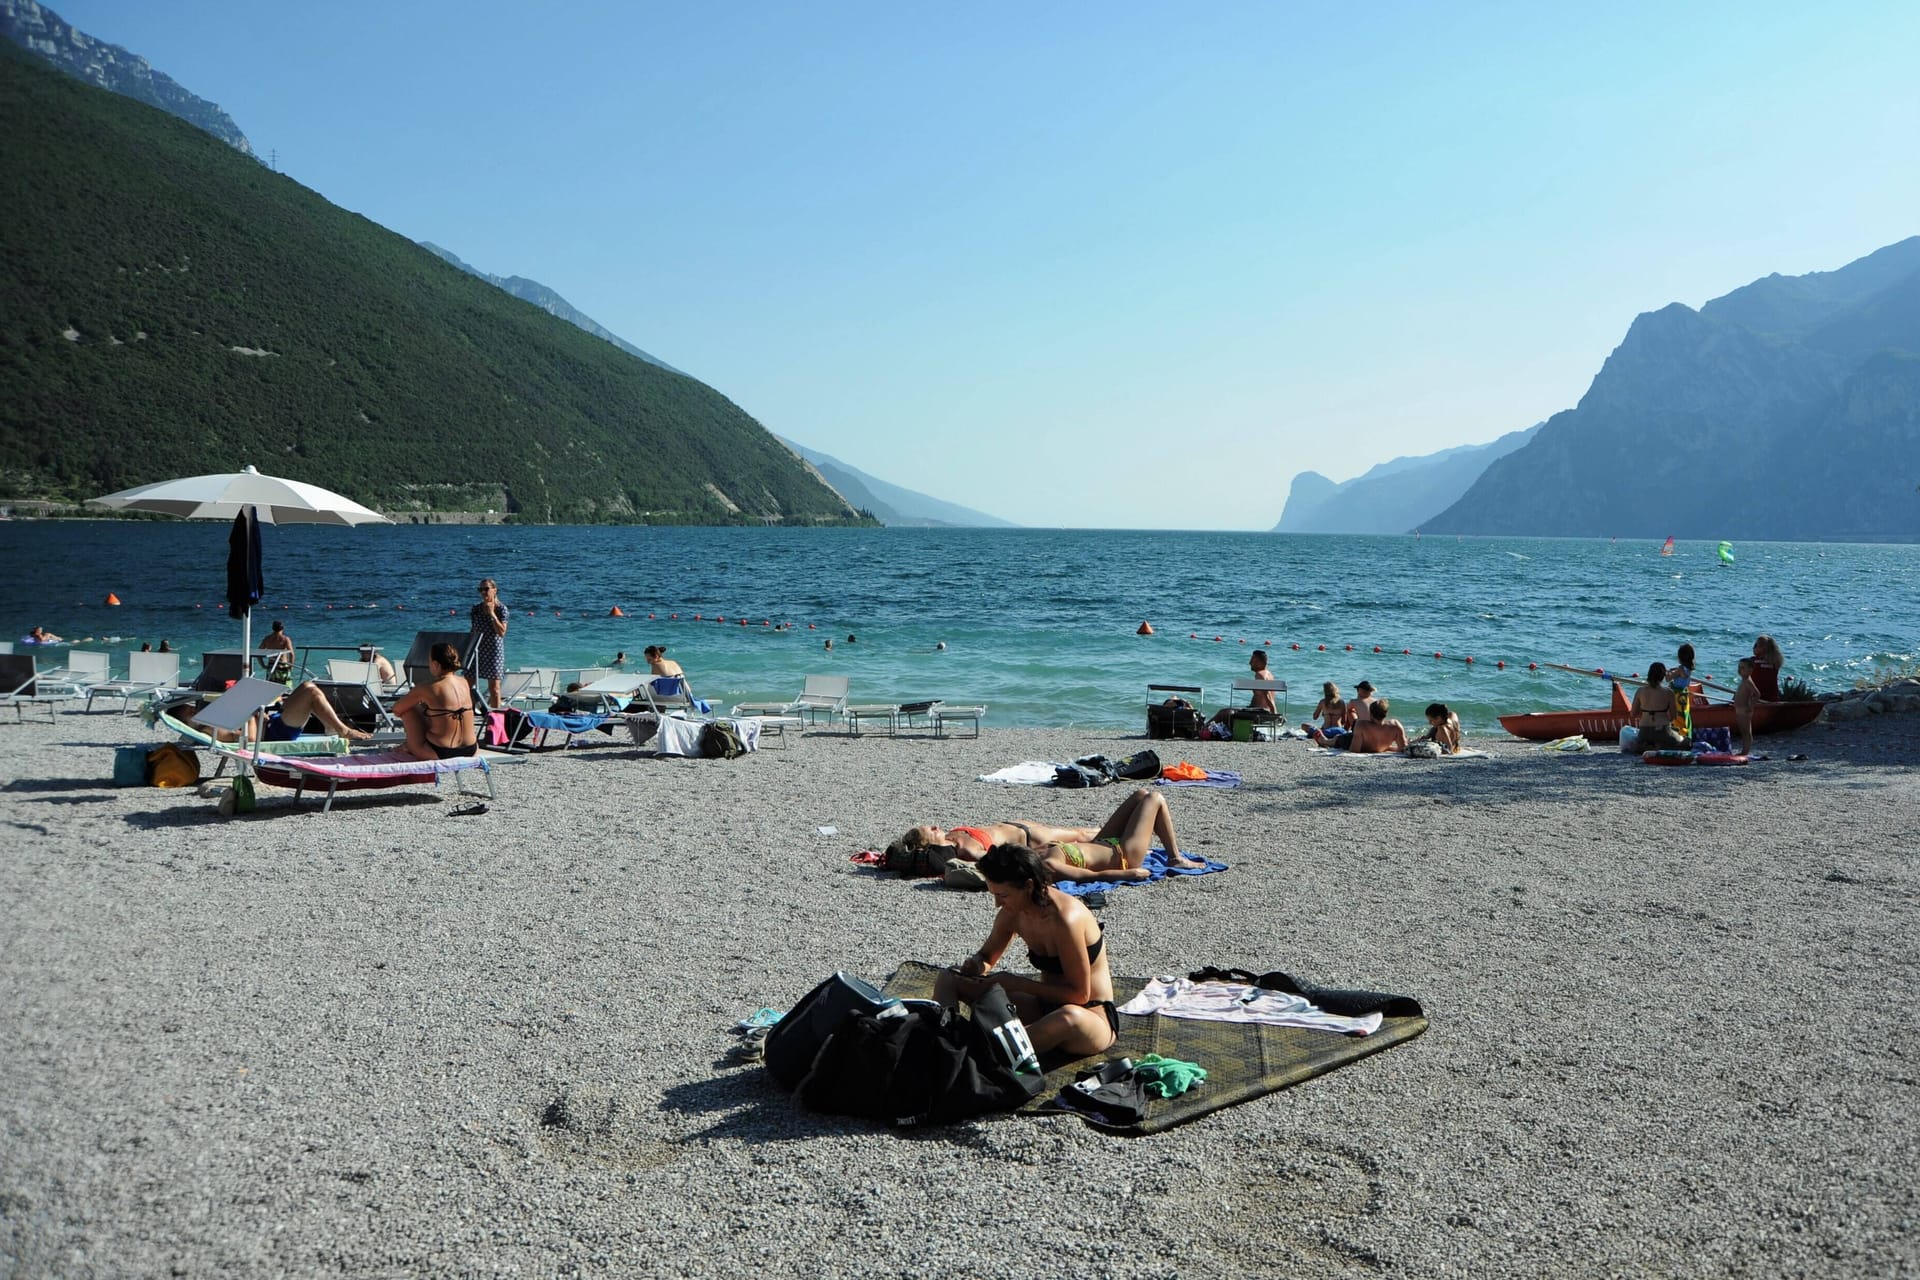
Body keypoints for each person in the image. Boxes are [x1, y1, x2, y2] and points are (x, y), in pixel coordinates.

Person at [932, 844, 1118, 1057]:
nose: (996, 903)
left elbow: (1080, 995)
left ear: (1028, 886)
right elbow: (987, 957)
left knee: (1067, 1016)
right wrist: (975, 965)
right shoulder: (1013, 914)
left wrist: (1018, 984)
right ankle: (947, 1041)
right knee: (949, 977)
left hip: (1090, 1018)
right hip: (1043, 1008)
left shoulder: (1066, 919)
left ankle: (981, 1052)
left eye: (1003, 895)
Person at [886, 789, 1204, 882]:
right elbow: (1080, 877)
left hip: (1096, 847)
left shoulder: (1042, 857)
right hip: (1122, 854)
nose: (935, 826)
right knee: (1154, 798)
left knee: (1139, 794)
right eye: (930, 830)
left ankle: (1166, 845)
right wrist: (1126, 873)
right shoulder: (1047, 863)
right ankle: (1175, 857)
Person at [191, 681, 372, 745]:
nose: (194, 710)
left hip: (276, 720)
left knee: (308, 686)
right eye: (189, 711)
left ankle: (331, 726)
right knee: (311, 692)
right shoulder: (209, 729)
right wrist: (254, 714)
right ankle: (341, 729)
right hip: (277, 732)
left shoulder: (211, 719)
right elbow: (251, 740)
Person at [391, 642, 478, 761]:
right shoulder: (464, 682)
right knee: (435, 712)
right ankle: (409, 745)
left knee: (409, 709)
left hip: (440, 752)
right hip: (471, 749)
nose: (429, 665)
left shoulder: (428, 687)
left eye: (429, 661)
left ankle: (410, 746)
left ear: (436, 664)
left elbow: (397, 709)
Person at [468, 578, 509, 709]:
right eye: (481, 589)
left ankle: (495, 717)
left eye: (486, 589)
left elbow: (501, 632)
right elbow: (473, 629)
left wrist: (492, 614)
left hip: (493, 650)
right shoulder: (476, 609)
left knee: (494, 689)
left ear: (494, 590)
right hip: (476, 649)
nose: (483, 592)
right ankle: (470, 712)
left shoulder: (501, 609)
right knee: (468, 684)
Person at [1630, 662, 1686, 751]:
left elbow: (1633, 713)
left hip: (1644, 732)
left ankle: (1648, 745)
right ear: (1663, 676)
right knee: (1683, 739)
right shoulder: (1668, 692)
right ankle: (1659, 745)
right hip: (1662, 730)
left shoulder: (1640, 691)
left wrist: (1645, 716)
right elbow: (1673, 716)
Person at [1733, 657, 1760, 755]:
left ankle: (1745, 751)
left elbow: (1757, 694)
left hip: (1745, 710)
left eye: (1743, 668)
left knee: (1746, 731)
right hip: (1739, 710)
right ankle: (1744, 749)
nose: (1740, 670)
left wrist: (1751, 706)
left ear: (1750, 670)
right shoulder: (1743, 680)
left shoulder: (1748, 681)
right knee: (1742, 730)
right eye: (1739, 667)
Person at [1750, 635, 1784, 701]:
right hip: (1772, 697)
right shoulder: (1775, 663)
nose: (1753, 647)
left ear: (1762, 648)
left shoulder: (1753, 661)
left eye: (1756, 645)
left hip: (1754, 697)